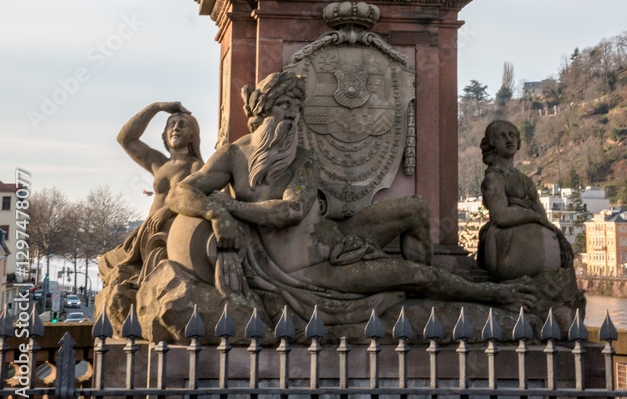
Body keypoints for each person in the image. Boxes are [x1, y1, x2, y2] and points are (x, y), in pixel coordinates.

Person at [167, 71, 535, 324]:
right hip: (311, 267)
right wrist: (216, 215)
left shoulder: (303, 158)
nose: (293, 115)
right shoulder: (233, 155)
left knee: (415, 208)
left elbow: (291, 210)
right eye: (284, 106)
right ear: (262, 110)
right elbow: (181, 192)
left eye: (297, 108)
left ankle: (424, 295)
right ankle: (489, 295)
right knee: (412, 273)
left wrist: (227, 207)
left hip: (333, 239)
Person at [98, 102, 203, 288]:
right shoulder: (160, 163)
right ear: (164, 135)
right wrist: (156, 107)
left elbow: (197, 199)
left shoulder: (196, 167)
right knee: (107, 262)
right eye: (171, 124)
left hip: (170, 234)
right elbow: (125, 139)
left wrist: (167, 211)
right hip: (146, 232)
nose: (176, 128)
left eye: (182, 124)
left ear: (192, 135)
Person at [477, 120, 573, 279]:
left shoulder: (525, 180)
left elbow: (543, 217)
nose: (509, 140)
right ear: (492, 143)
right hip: (507, 246)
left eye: (512, 135)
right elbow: (500, 215)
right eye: (502, 136)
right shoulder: (493, 178)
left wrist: (557, 234)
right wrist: (534, 217)